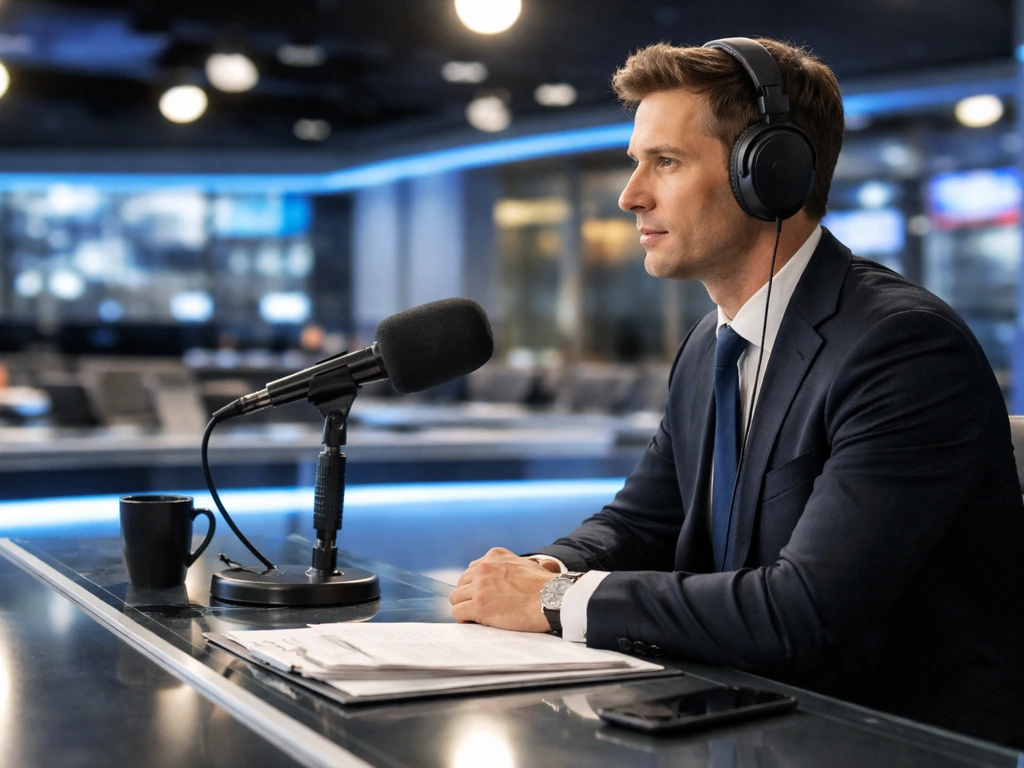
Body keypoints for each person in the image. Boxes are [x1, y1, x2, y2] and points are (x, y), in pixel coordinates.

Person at [449, 37, 1024, 747]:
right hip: (752, 723)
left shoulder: (901, 348)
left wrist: (555, 599)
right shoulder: (708, 348)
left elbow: (802, 611)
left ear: (771, 172)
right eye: (637, 163)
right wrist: (546, 567)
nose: (631, 195)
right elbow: (641, 523)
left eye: (665, 161)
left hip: (898, 743)